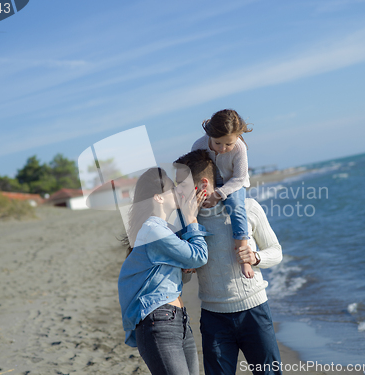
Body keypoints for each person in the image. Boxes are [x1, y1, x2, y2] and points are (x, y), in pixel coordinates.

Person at [175, 150, 283, 375]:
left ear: (203, 185)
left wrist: (256, 258)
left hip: (254, 311)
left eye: (182, 187)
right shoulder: (184, 224)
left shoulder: (248, 208)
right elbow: (184, 278)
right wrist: (186, 267)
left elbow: (276, 252)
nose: (178, 194)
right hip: (214, 318)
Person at [118, 167, 211, 375]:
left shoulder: (163, 230)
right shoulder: (153, 230)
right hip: (159, 321)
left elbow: (183, 276)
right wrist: (191, 220)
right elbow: (199, 256)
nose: (178, 192)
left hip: (179, 319)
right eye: (172, 189)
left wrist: (184, 266)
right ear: (158, 198)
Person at [191, 109, 254, 278]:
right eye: (218, 143)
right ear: (209, 134)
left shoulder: (239, 148)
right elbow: (194, 170)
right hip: (208, 181)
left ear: (238, 137)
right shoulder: (198, 145)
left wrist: (218, 195)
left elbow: (240, 178)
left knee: (236, 206)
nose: (223, 148)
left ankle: (243, 255)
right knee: (188, 207)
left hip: (233, 183)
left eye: (228, 144)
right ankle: (191, 254)